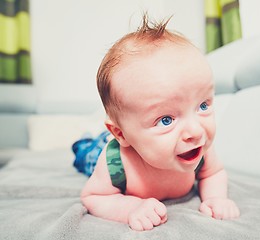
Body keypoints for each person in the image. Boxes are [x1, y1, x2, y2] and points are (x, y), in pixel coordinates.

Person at [81, 14, 240, 231]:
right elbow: (93, 196)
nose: (195, 131)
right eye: (166, 120)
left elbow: (213, 173)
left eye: (203, 106)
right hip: (101, 151)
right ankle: (86, 139)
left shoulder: (199, 148)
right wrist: (131, 208)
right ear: (121, 134)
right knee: (85, 152)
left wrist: (216, 198)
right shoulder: (115, 162)